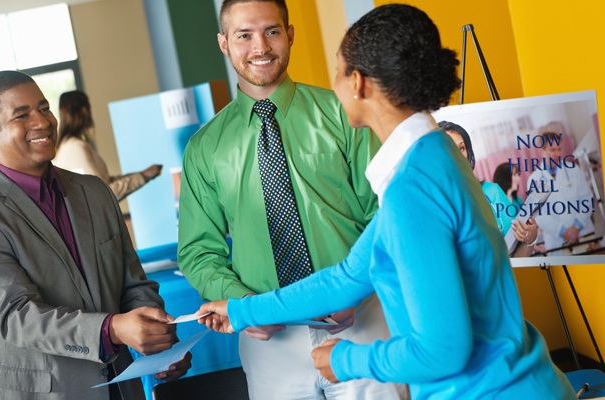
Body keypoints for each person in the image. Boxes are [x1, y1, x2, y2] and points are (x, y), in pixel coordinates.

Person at [196, 4, 576, 399]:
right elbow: (347, 276)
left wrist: (347, 360)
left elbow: (442, 351)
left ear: (357, 83)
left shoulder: (412, 187)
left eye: (339, 70)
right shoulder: (433, 157)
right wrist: (242, 311)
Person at [177, 1, 405, 399]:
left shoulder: (343, 112)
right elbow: (199, 252)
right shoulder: (204, 148)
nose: (260, 47)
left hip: (358, 323)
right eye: (244, 35)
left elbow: (385, 213)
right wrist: (244, 306)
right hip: (269, 344)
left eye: (272, 31)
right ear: (224, 44)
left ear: (291, 34)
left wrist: (355, 289)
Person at [0, 71, 191, 400]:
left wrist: (156, 344)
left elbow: (132, 282)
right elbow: (17, 316)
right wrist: (114, 329)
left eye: (44, 108)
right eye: (22, 114)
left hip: (120, 384)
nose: (42, 121)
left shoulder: (94, 192)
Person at [440, 121, 537, 257]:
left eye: (461, 148)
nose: (458, 154)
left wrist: (529, 239)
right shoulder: (432, 202)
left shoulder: (492, 192)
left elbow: (516, 257)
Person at [53, 90, 162, 201]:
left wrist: (142, 174)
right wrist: (143, 176)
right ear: (84, 110)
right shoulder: (75, 147)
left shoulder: (70, 145)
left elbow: (104, 182)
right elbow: (102, 192)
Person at [525, 132, 594, 255]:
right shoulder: (534, 179)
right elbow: (538, 215)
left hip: (583, 234)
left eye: (559, 149)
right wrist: (563, 231)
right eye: (552, 150)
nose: (557, 154)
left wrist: (576, 226)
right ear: (542, 151)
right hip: (557, 243)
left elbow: (587, 199)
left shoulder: (573, 169)